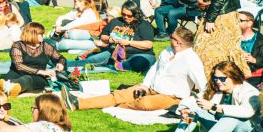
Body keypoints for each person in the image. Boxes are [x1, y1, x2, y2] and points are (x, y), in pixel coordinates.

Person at [78, 25, 206, 110]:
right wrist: (144, 85)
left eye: (172, 37)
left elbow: (203, 85)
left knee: (144, 103)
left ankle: (119, 106)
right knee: (120, 94)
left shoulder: (191, 60)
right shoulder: (167, 51)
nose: (169, 39)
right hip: (151, 89)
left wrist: (197, 104)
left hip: (171, 97)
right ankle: (79, 103)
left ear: (178, 42)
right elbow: (154, 69)